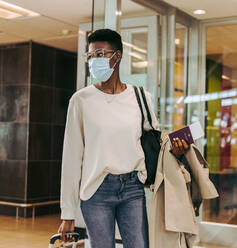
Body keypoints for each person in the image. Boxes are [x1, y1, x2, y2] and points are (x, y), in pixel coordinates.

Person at [57, 29, 189, 248]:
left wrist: (177, 150)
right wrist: (67, 213)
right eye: (90, 56)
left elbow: (156, 145)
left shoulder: (140, 97)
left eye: (99, 54)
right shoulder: (81, 100)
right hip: (96, 190)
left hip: (132, 188)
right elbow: (71, 159)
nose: (93, 61)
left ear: (117, 56)